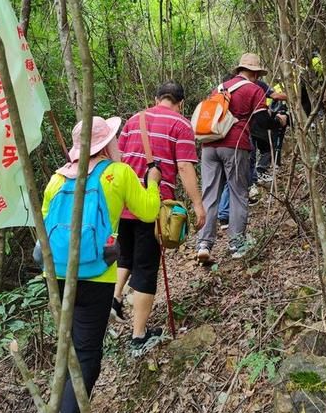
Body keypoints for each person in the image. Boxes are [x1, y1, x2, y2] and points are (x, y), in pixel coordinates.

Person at [42, 116, 161, 413]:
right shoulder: (117, 173)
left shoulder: (57, 179)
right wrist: (154, 183)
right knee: (86, 355)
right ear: (107, 143)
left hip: (56, 273)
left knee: (67, 348)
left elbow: (45, 223)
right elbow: (148, 212)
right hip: (97, 275)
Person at [113, 81, 205, 356]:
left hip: (124, 201)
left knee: (125, 256)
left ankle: (115, 297)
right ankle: (139, 336)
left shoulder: (132, 121)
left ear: (156, 98)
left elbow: (118, 158)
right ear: (181, 103)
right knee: (146, 267)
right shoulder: (181, 125)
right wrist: (198, 204)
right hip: (153, 205)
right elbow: (185, 167)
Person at [196, 53, 287, 261]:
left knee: (210, 194)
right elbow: (261, 121)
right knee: (238, 193)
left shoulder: (220, 87)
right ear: (254, 73)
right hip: (235, 145)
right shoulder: (253, 89)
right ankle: (237, 244)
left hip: (208, 145)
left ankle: (204, 244)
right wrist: (280, 121)